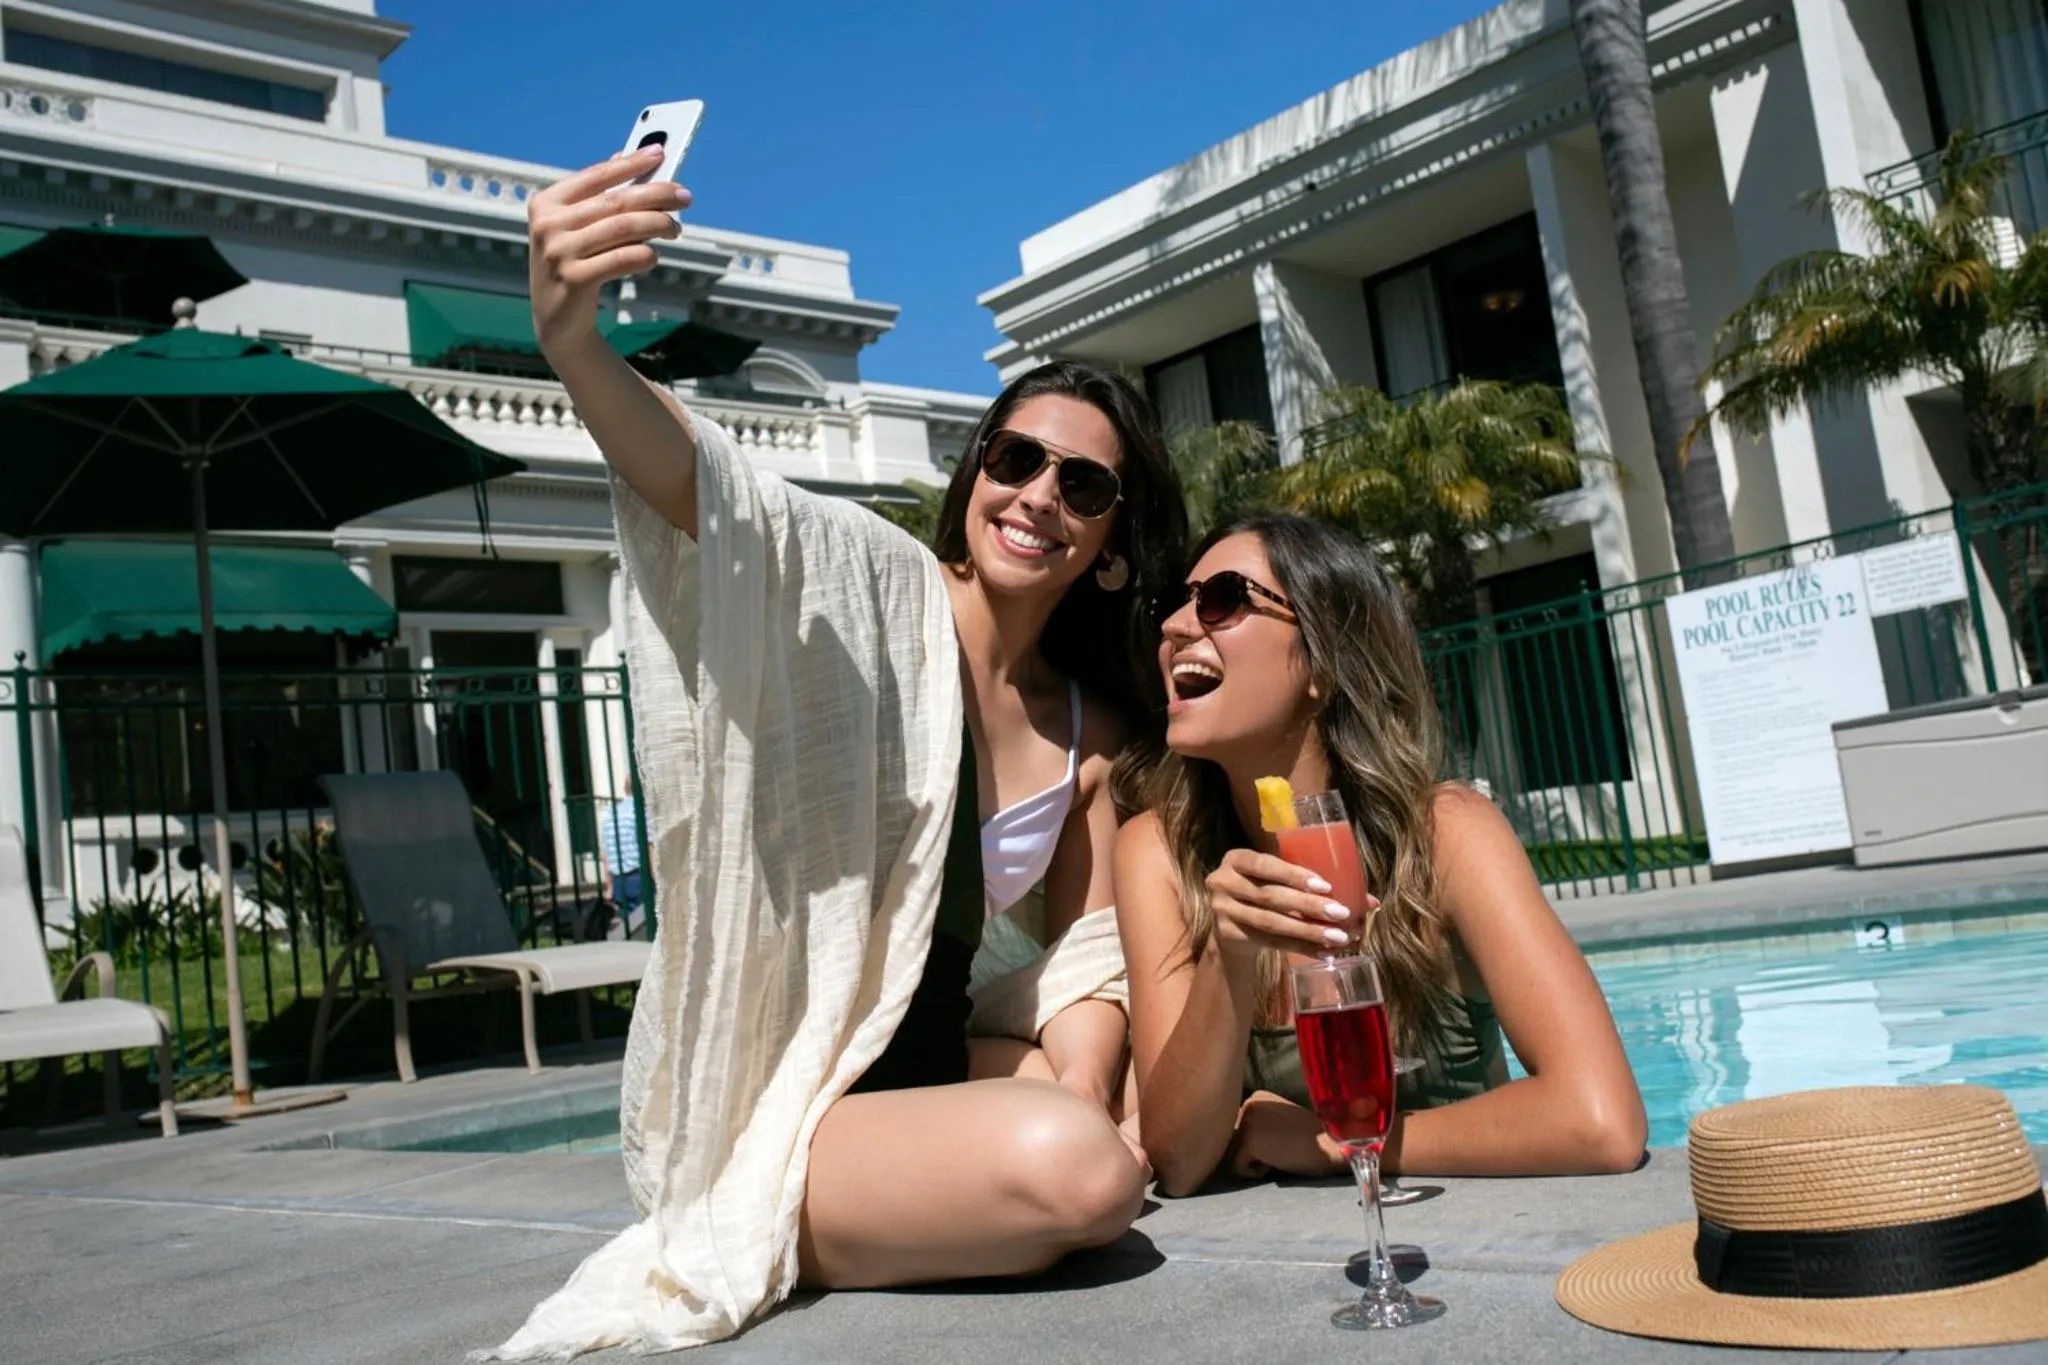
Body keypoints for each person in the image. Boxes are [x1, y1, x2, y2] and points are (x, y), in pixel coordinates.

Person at [488, 146, 1186, 1357]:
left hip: (930, 1069)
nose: (1036, 497)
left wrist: (1082, 1076)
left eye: (1082, 485)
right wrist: (575, 346)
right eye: (1015, 460)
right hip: (798, 1098)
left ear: (1113, 544)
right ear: (974, 474)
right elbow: (714, 493)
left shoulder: (1092, 727)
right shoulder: (874, 590)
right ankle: (743, 1204)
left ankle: (964, 1172)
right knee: (1081, 1179)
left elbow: (1082, 960)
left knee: (1100, 1118)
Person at [1114, 513, 1646, 1197]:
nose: (1178, 624)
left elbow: (1601, 1119)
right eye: (1176, 602)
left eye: (1221, 598)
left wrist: (1338, 1144)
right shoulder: (1161, 853)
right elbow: (1179, 1161)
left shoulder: (1448, 834)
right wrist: (1228, 955)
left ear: (1322, 661)